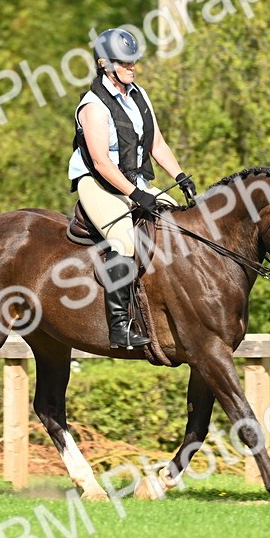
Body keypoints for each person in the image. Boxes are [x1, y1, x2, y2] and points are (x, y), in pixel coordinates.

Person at [68, 27, 197, 349]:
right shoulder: (93, 106)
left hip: (135, 181)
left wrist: (180, 175)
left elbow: (156, 143)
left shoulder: (138, 95)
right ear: (104, 64)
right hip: (100, 184)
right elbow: (101, 163)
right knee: (123, 240)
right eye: (124, 62)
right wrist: (136, 195)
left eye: (133, 62)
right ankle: (119, 327)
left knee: (182, 225)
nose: (131, 67)